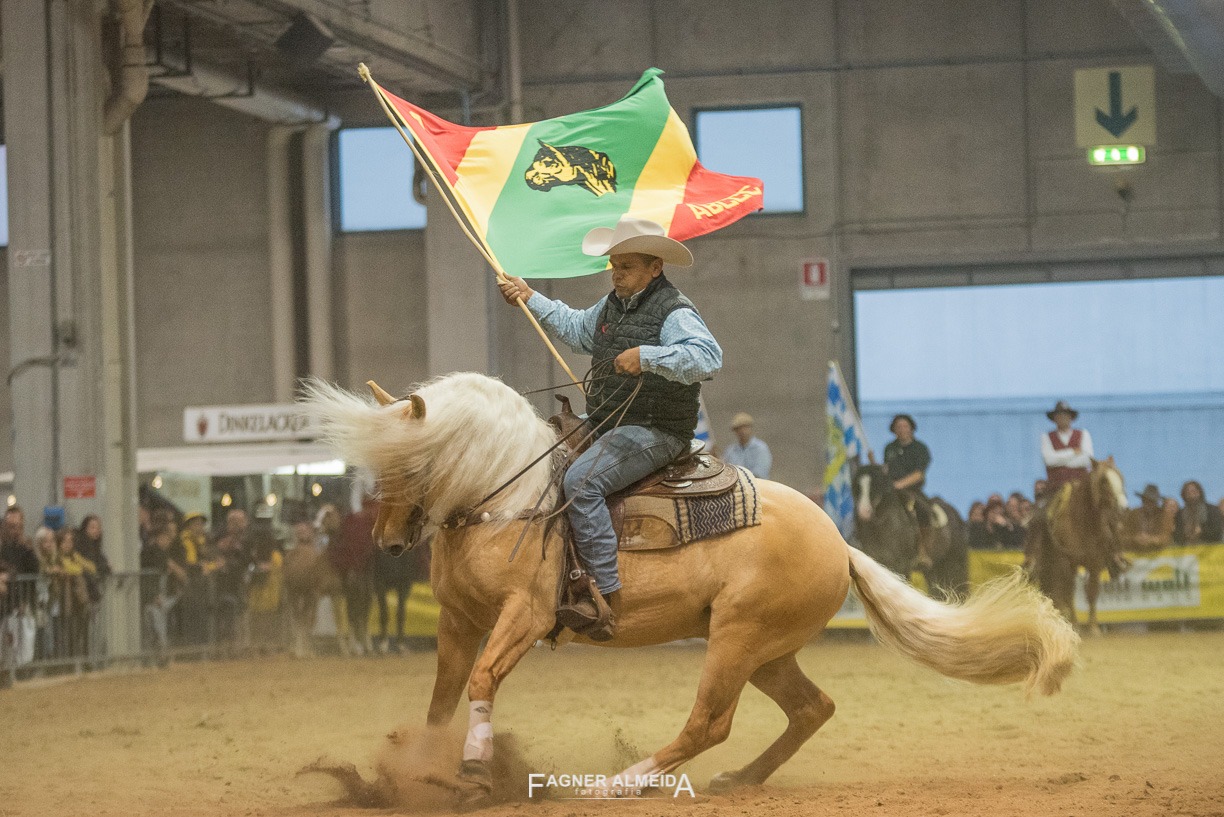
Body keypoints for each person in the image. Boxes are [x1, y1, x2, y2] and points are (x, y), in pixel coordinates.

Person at [497, 216, 722, 641]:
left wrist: (649, 356)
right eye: (615, 265)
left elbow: (708, 357)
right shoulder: (611, 307)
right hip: (608, 424)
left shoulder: (674, 310)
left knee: (581, 483)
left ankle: (602, 591)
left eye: (628, 266)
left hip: (655, 431)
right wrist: (530, 297)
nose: (617, 274)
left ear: (655, 268)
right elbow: (577, 328)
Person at [873, 413, 936, 566]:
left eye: (904, 426)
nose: (901, 429)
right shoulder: (890, 448)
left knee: (923, 511)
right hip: (890, 491)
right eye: (898, 427)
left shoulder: (920, 448)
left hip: (912, 491)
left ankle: (923, 550)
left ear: (911, 428)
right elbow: (887, 468)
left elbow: (919, 474)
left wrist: (900, 484)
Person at [1041, 401, 1093, 494]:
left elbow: (1087, 460)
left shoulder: (1084, 434)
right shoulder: (1046, 437)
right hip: (1056, 489)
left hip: (1081, 488)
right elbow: (1049, 461)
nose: (1062, 418)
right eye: (1059, 415)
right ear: (1054, 419)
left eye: (1065, 415)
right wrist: (1073, 452)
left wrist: (1059, 461)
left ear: (1071, 417)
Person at [1123, 484, 1177, 552]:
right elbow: (1123, 535)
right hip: (1136, 554)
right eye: (1146, 500)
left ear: (1157, 502)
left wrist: (1152, 539)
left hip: (1160, 555)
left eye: (1152, 501)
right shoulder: (1133, 514)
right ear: (1142, 500)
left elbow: (1167, 537)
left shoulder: (1164, 515)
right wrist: (1135, 538)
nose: (1149, 503)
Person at [722, 412, 772, 479]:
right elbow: (726, 470)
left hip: (758, 486)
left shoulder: (761, 448)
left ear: (750, 428)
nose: (742, 431)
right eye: (738, 429)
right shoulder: (730, 451)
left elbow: (760, 473)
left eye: (745, 427)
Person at [1173, 480, 1223, 545]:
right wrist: (1185, 532)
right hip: (1187, 550)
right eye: (1188, 492)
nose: (1191, 495)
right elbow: (1176, 536)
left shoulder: (1212, 510)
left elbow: (1217, 531)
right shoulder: (1180, 514)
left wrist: (1202, 531)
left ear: (1199, 492)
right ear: (1184, 495)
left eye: (1193, 491)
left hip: (1210, 549)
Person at [0, 506, 39, 577]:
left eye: (19, 526)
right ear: (4, 526)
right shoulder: (2, 547)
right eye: (11, 526)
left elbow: (35, 570)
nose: (15, 531)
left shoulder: (27, 548)